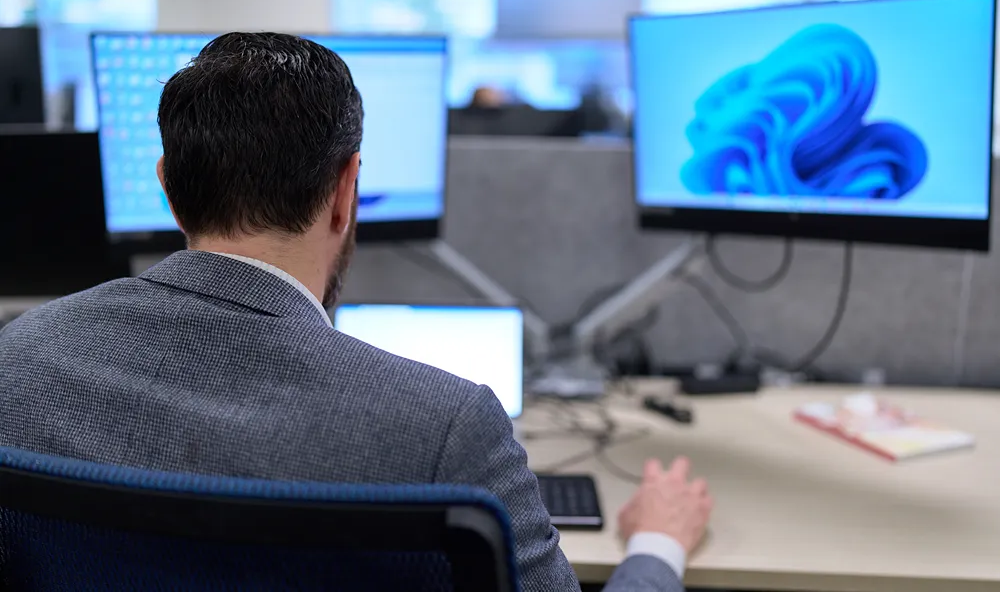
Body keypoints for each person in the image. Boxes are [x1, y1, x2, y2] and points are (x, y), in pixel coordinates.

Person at [0, 33, 712, 592]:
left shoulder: (16, 364)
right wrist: (658, 544)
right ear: (348, 191)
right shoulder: (445, 428)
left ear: (167, 187)